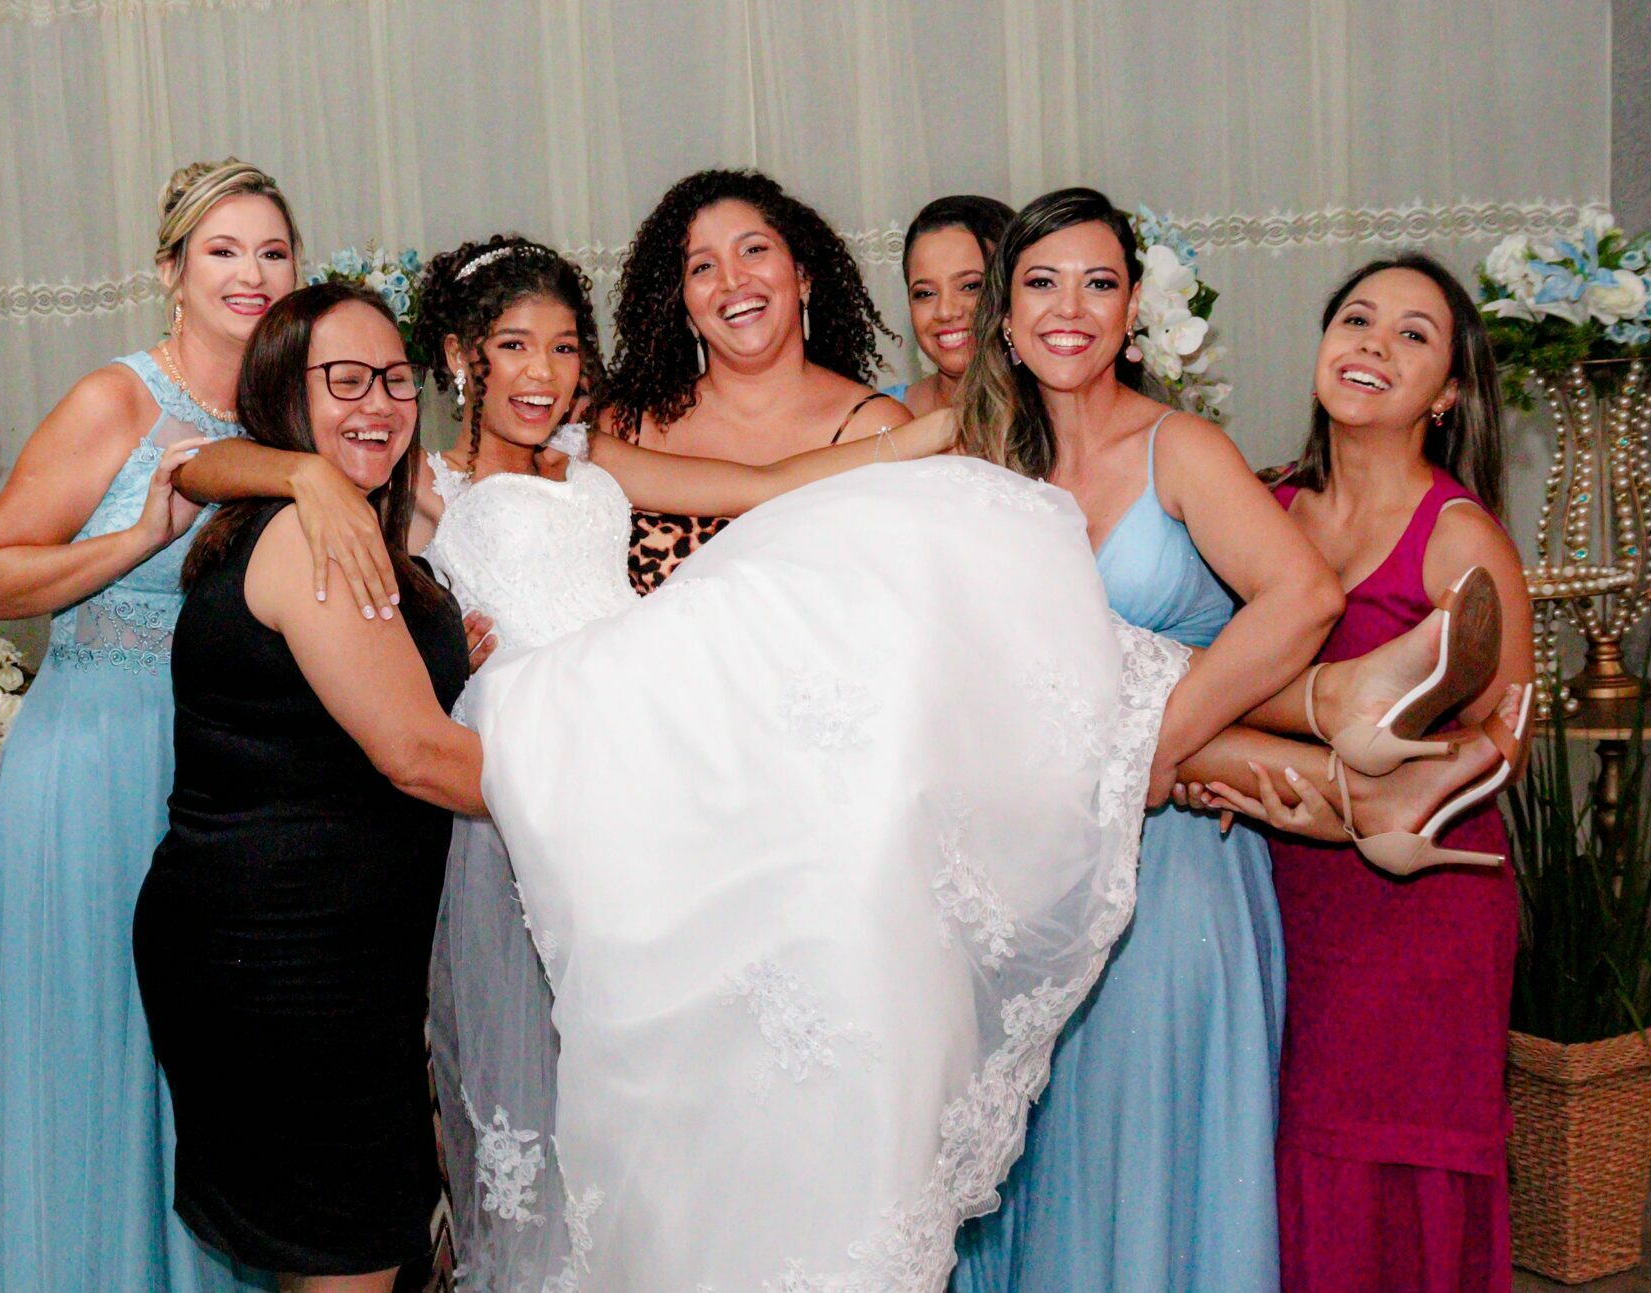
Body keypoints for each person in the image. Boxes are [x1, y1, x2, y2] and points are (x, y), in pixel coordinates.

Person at [179, 231, 1185, 1289]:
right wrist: (303, 473)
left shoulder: (592, 457)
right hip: (551, 751)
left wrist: (933, 431)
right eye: (514, 347)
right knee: (622, 1029)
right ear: (465, 360)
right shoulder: (424, 481)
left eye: (565, 348)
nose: (542, 373)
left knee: (835, 741)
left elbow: (767, 484)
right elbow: (195, 466)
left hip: (646, 722)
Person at [949, 186, 1345, 1293]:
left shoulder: (1182, 448)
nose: (1069, 308)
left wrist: (1158, 747)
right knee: (1043, 1154)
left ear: (1133, 313)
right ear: (1007, 318)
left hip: (1171, 866)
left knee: (1146, 1146)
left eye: (1099, 283)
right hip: (1038, 866)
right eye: (1042, 283)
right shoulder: (989, 472)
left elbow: (1303, 597)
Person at [0, 158, 293, 1291]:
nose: (250, 274)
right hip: (98, 764)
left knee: (214, 1069)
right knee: (105, 1048)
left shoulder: (284, 415)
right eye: (223, 250)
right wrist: (140, 536)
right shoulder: (118, 400)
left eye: (273, 251)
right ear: (171, 272)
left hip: (225, 768)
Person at [1188, 254, 1533, 1292]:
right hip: (1280, 886)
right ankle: (1345, 755)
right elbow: (1204, 681)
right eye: (1356, 319)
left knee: (1380, 1175)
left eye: (1413, 334)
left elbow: (1508, 731)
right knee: (1285, 1167)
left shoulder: (1458, 536)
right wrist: (1223, 772)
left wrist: (1390, 800)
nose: (1373, 343)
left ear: (1449, 392)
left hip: (1419, 906)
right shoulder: (1260, 506)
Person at [135, 283, 475, 1291]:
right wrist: (603, 790)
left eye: (397, 381)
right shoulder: (302, 533)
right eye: (346, 380)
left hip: (334, 945)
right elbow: (415, 754)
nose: (380, 403)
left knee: (357, 1252)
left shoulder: (346, 521)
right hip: (282, 958)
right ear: (286, 394)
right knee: (346, 1262)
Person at [600, 168, 912, 592]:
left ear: (802, 276)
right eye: (702, 266)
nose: (731, 280)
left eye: (753, 250)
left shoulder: (876, 428)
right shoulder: (626, 430)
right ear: (683, 307)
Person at [883, 194, 1015, 416]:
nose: (945, 312)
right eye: (925, 293)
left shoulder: (1062, 418)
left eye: (971, 286)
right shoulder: (877, 417)